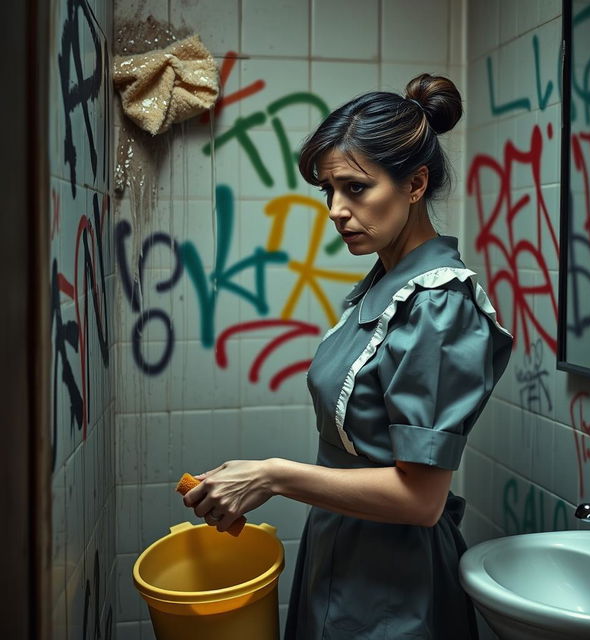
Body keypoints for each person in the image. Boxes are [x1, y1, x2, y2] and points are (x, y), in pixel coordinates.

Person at [183, 73, 513, 639]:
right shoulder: (384, 284)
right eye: (328, 191)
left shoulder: (438, 305)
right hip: (341, 553)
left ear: (415, 185)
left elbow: (421, 499)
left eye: (356, 189)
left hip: (394, 585)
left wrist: (274, 476)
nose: (336, 210)